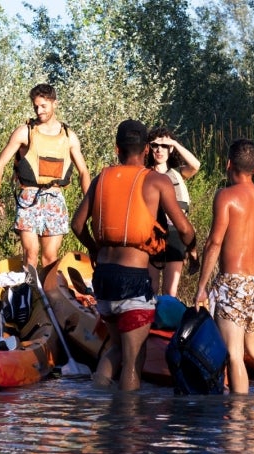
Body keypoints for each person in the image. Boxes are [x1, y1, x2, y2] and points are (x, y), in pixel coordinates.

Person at [71, 119, 197, 391]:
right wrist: (193, 248)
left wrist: (94, 248)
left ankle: (98, 402)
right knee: (133, 358)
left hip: (103, 278)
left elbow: (77, 225)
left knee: (115, 349)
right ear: (147, 150)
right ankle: (127, 426)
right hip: (133, 280)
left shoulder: (100, 179)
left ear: (117, 149)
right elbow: (184, 229)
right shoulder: (157, 181)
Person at [194, 139, 254, 395]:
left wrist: (201, 287)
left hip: (233, 281)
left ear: (228, 164)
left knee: (234, 353)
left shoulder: (226, 196)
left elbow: (214, 242)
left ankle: (237, 418)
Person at [0, 83, 91, 269]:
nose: (39, 110)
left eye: (43, 106)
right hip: (29, 198)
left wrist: (89, 202)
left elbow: (83, 171)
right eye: (36, 106)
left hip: (55, 199)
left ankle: (47, 297)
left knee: (50, 258)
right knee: (30, 255)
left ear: (54, 104)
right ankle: (29, 295)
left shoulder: (69, 136)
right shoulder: (24, 132)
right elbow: (0, 163)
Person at [146, 126, 201, 296]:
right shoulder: (145, 174)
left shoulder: (178, 172)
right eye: (155, 145)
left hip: (176, 234)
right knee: (152, 288)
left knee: (170, 291)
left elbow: (195, 165)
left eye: (164, 146)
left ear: (170, 149)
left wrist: (174, 143)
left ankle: (168, 321)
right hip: (152, 233)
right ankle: (151, 321)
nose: (159, 150)